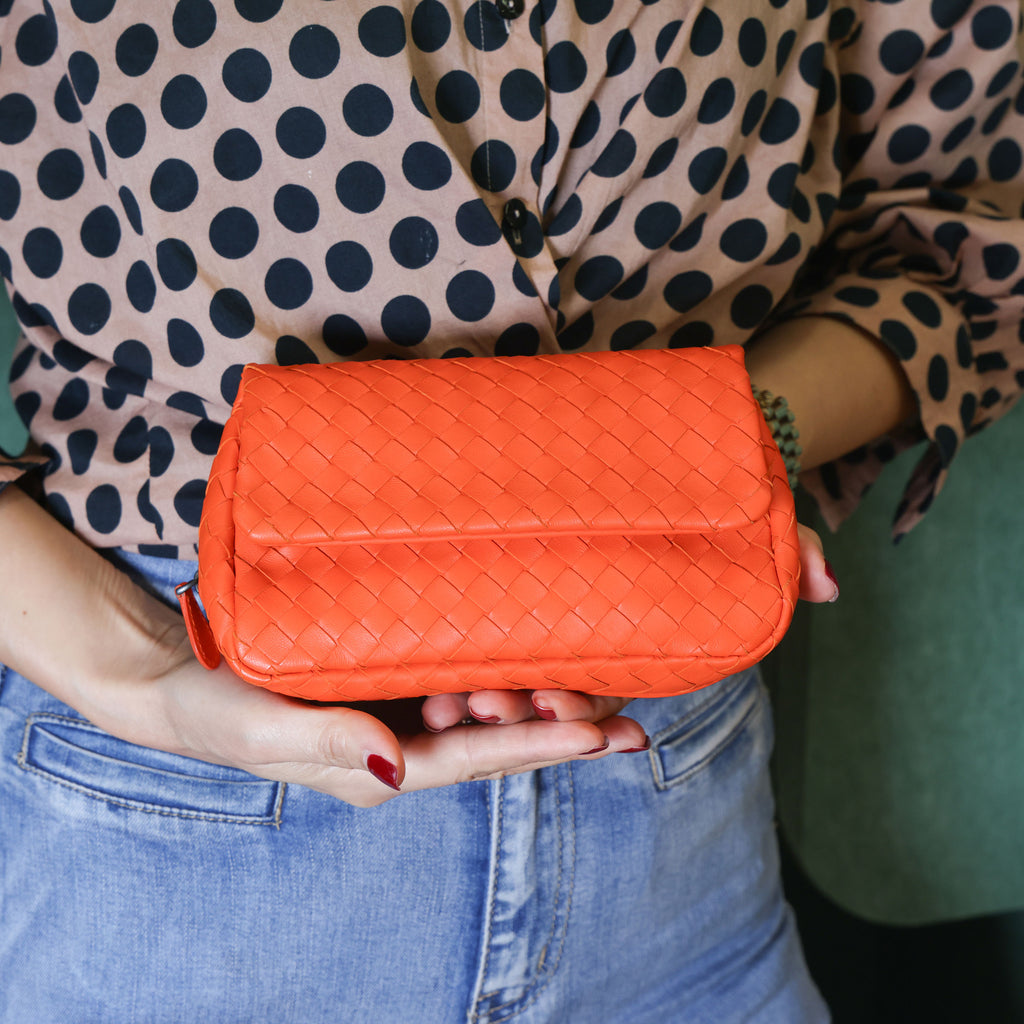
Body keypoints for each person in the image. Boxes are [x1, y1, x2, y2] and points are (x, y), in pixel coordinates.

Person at [0, 2, 1021, 1021]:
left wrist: (735, 444)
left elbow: (961, 227)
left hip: (679, 862)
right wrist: (137, 665)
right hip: (178, 826)